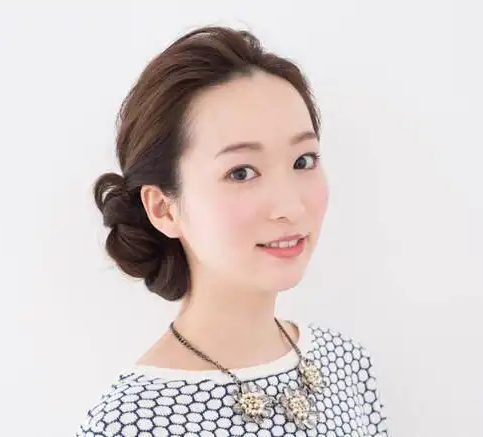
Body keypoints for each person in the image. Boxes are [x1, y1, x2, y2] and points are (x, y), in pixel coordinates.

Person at [76, 25, 390, 437]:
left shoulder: (345, 363)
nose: (290, 207)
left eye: (303, 161)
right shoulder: (132, 421)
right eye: (241, 172)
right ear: (164, 208)